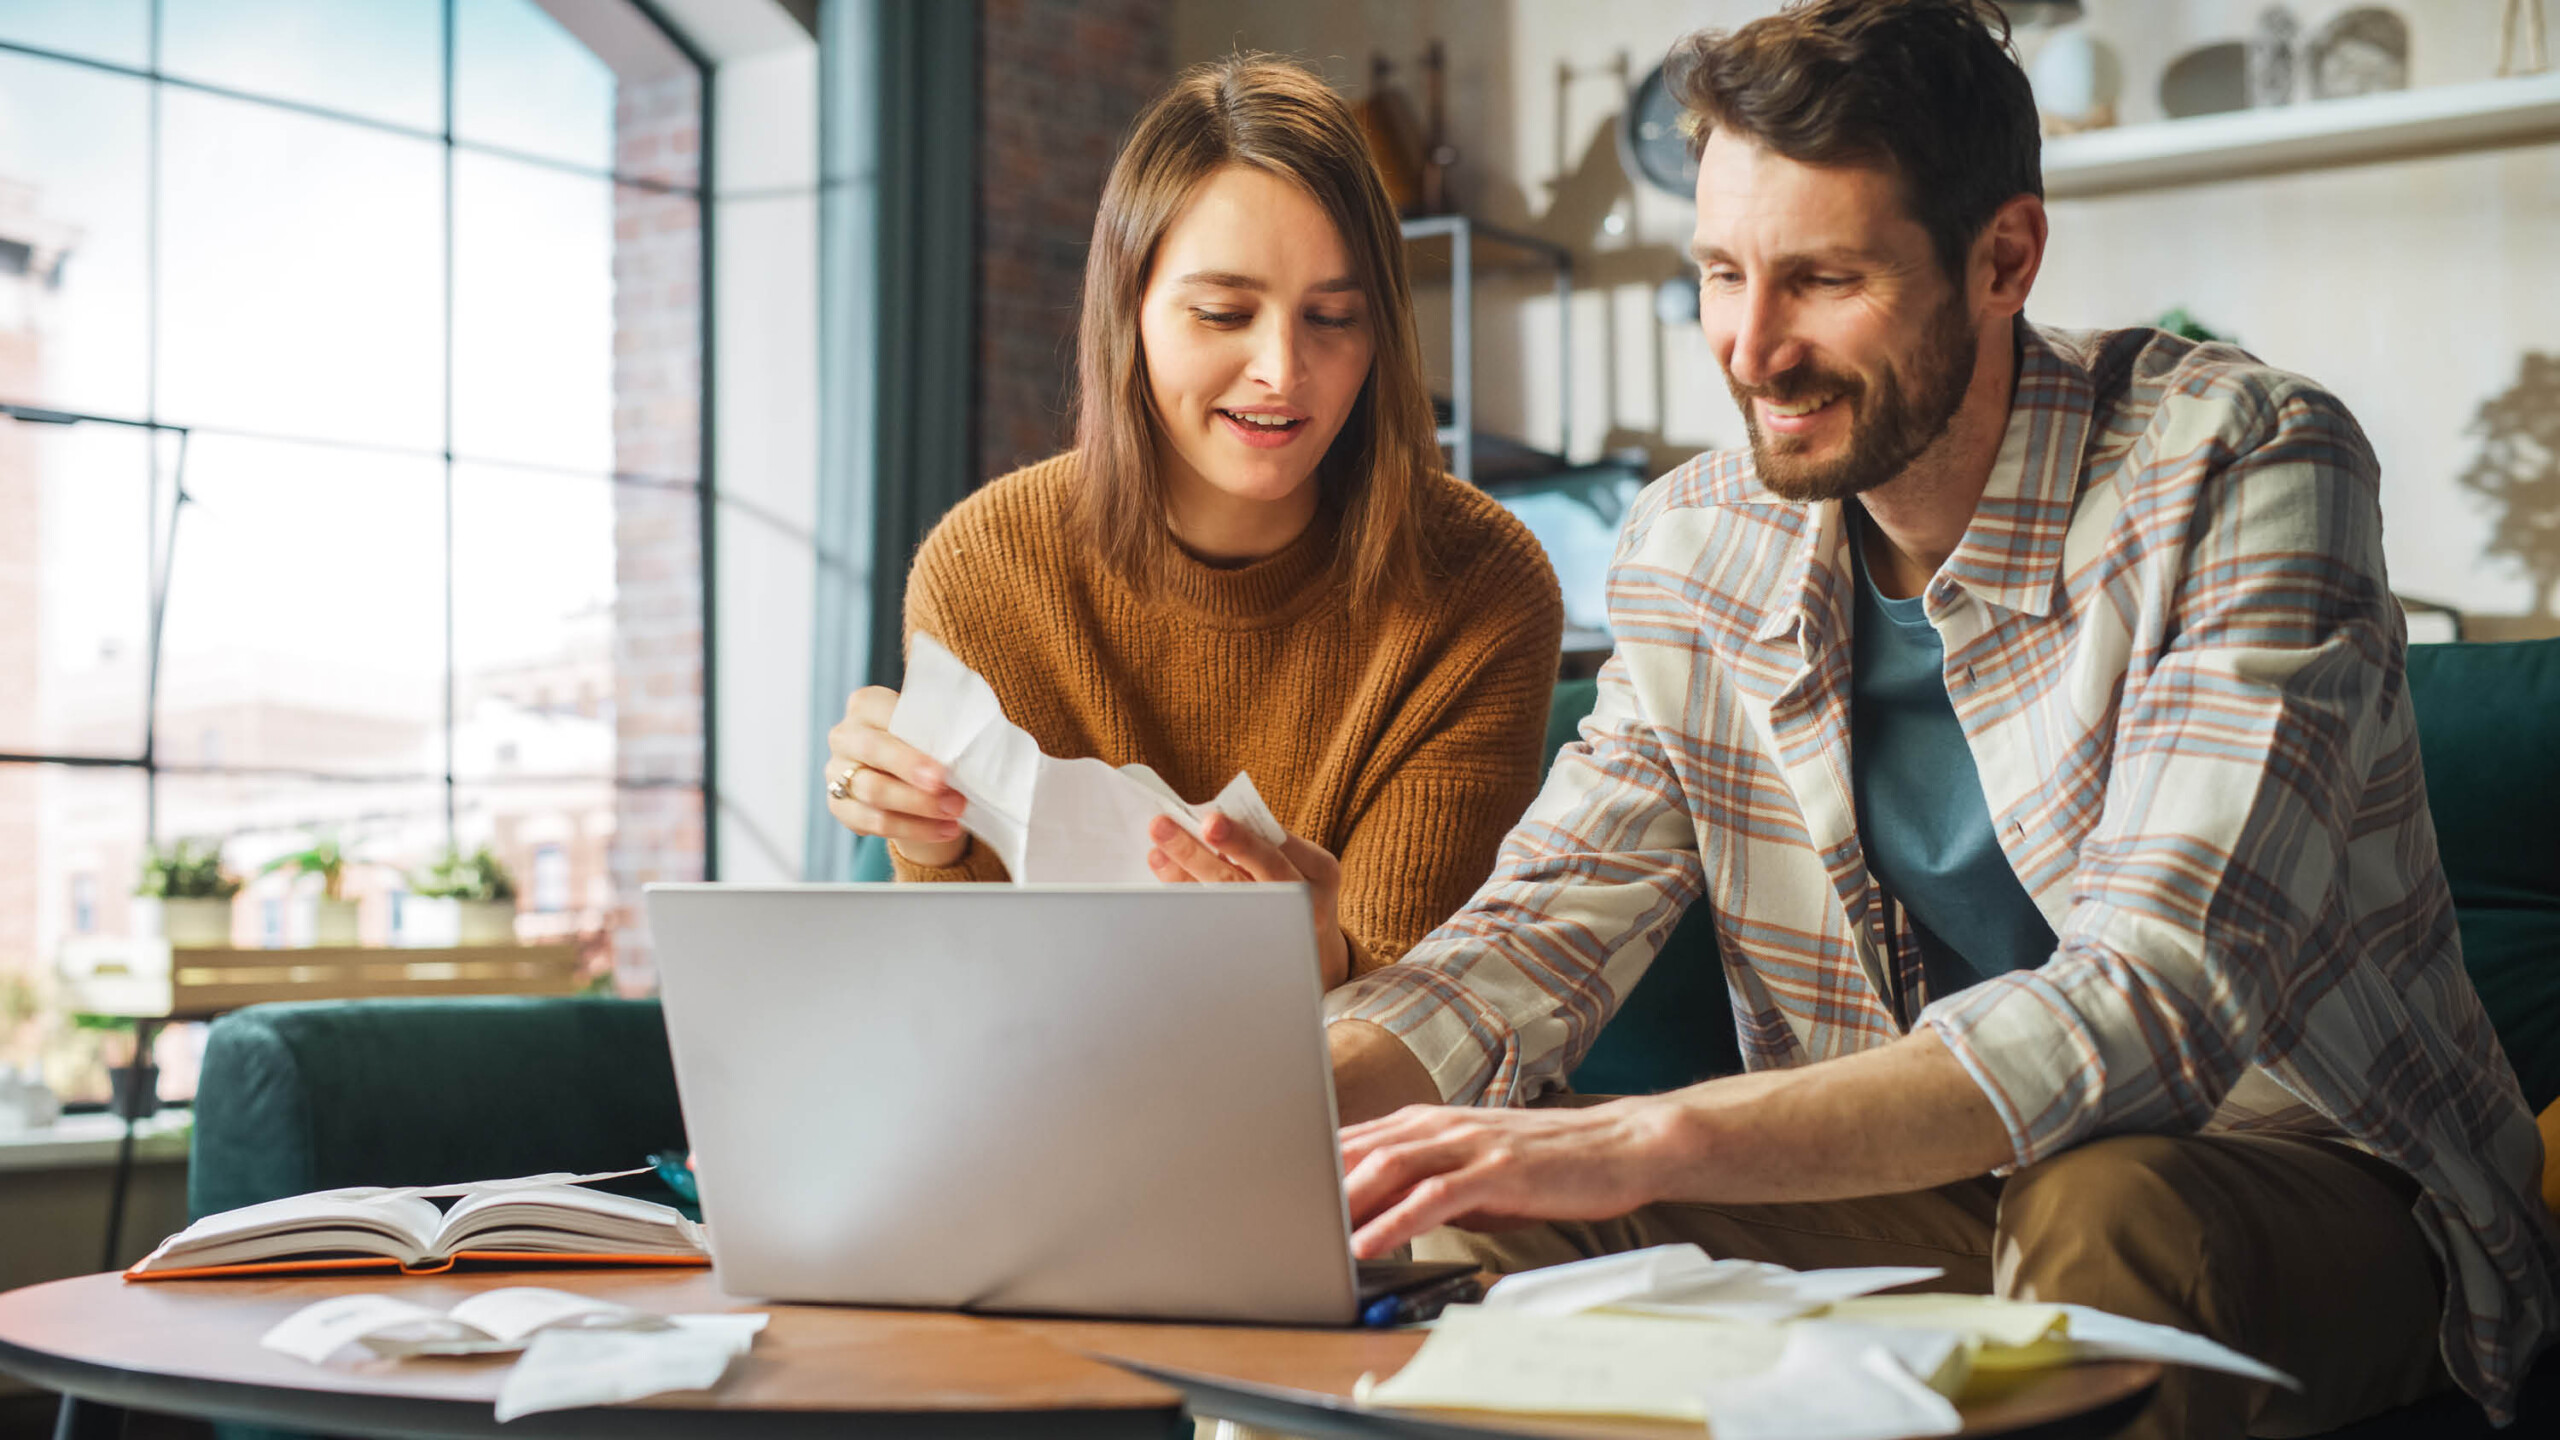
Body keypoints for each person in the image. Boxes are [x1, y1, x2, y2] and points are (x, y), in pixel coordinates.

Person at [1318, 3, 2558, 1436]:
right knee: (1445, 1213)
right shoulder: (1690, 545)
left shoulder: (2241, 462)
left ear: (2004, 259)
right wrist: (1269, 1105)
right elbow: (1533, 935)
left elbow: (2158, 998)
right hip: (1915, 1190)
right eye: (1721, 273)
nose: (1752, 348)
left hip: (2294, 1171)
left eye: (1822, 279)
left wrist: (1647, 1132)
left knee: (2104, 1211)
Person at [821, 55, 1564, 988]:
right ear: (1127, 310)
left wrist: (1316, 958)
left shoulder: (1479, 582)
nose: (1283, 370)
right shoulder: (987, 568)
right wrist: (919, 830)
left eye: (1334, 318)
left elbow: (1433, 1022)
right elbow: (970, 994)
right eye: (1222, 313)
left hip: (1367, 1114)